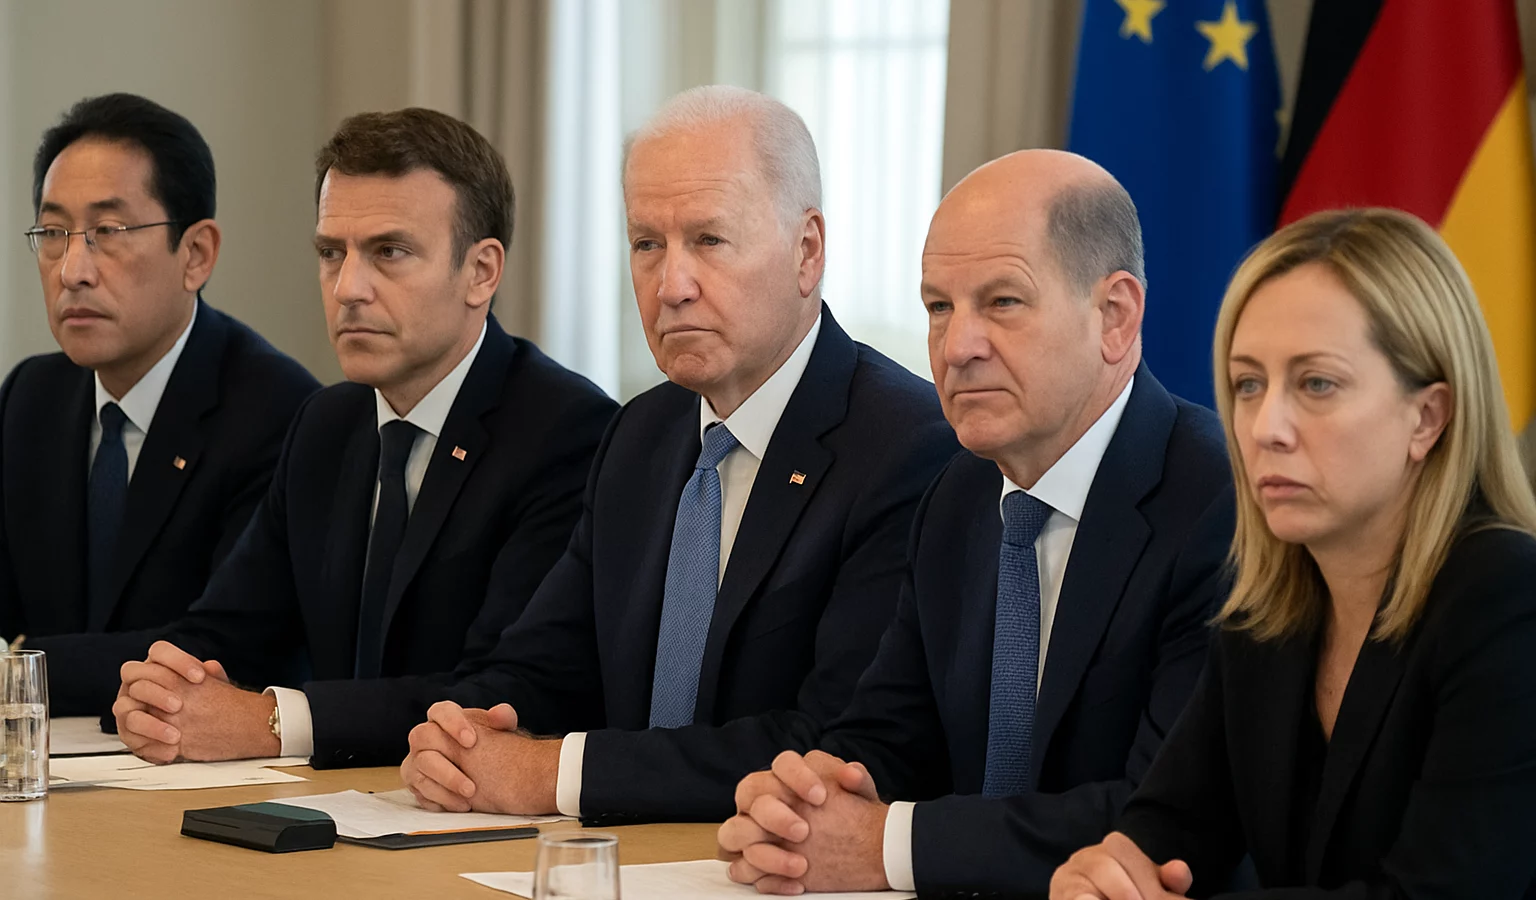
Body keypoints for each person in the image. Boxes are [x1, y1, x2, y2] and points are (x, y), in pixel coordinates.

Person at [392, 85, 959, 814]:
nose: (672, 286)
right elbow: (541, 665)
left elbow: (831, 740)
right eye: (647, 245)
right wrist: (463, 735)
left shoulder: (907, 446)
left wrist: (552, 773)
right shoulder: (640, 434)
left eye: (709, 240)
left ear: (807, 251)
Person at [716, 149, 1236, 897]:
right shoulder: (956, 494)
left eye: (1003, 303)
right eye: (939, 308)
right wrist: (805, 804)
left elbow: (1160, 813)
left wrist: (885, 845)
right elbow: (889, 735)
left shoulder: (1217, 504)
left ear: (1115, 317)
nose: (957, 347)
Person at [44, 107, 616, 761]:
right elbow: (228, 631)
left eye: (389, 252)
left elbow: (504, 692)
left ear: (481, 272)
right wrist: (159, 691)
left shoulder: (566, 431)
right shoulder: (327, 424)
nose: (347, 288)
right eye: (330, 253)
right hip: (341, 799)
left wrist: (274, 722)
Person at [1050, 207, 1536, 899]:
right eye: (1249, 384)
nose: (1265, 428)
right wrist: (1105, 875)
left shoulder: (1508, 598)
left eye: (1316, 384)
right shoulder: (1266, 615)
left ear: (1427, 417)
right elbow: (1167, 829)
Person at [1, 93, 318, 714]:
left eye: (108, 232)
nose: (72, 270)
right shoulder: (30, 399)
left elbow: (219, 649)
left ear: (196, 254)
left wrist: (19, 667)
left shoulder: (278, 411)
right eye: (54, 233)